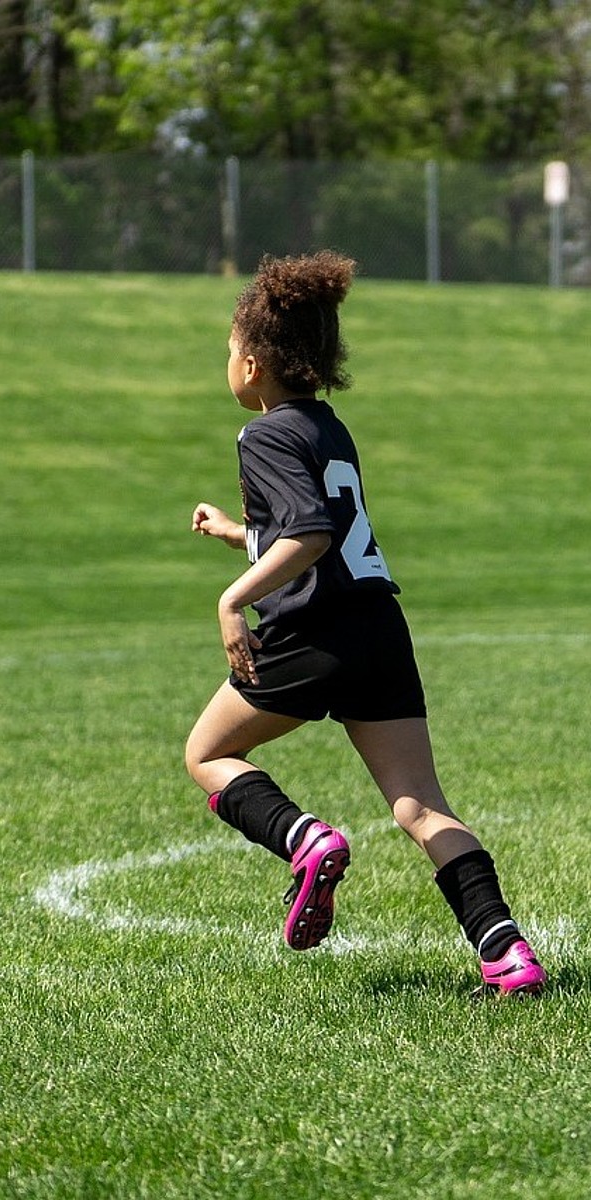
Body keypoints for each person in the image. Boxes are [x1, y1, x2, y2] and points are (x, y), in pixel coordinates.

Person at [184, 250, 546, 997]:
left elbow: (309, 534)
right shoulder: (325, 427)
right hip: (377, 627)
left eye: (227, 349)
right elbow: (317, 531)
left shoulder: (261, 436)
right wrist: (236, 534)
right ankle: (507, 955)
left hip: (311, 631)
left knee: (208, 754)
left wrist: (230, 600)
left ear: (251, 365)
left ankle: (304, 839)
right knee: (419, 805)